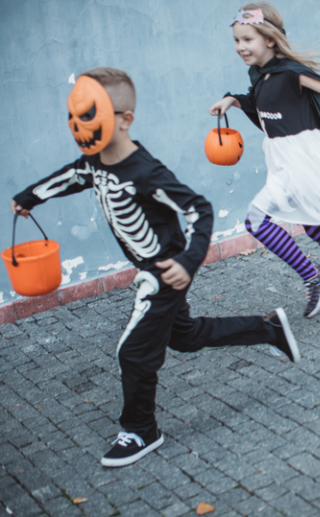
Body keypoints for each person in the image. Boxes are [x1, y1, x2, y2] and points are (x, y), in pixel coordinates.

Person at [11, 67, 300, 468]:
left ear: (124, 120)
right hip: (151, 265)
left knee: (133, 352)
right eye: (74, 117)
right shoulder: (95, 161)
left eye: (90, 115)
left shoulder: (145, 171)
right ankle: (267, 329)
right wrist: (29, 198)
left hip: (163, 270)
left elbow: (198, 208)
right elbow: (73, 176)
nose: (79, 125)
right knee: (184, 336)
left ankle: (140, 430)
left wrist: (188, 260)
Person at [209, 2, 320, 320]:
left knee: (256, 221)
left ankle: (314, 275)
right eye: (237, 40)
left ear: (269, 39)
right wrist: (233, 101)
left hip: (303, 159)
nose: (240, 47)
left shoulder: (292, 73)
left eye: (247, 39)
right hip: (282, 159)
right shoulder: (261, 75)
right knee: (314, 226)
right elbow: (259, 101)